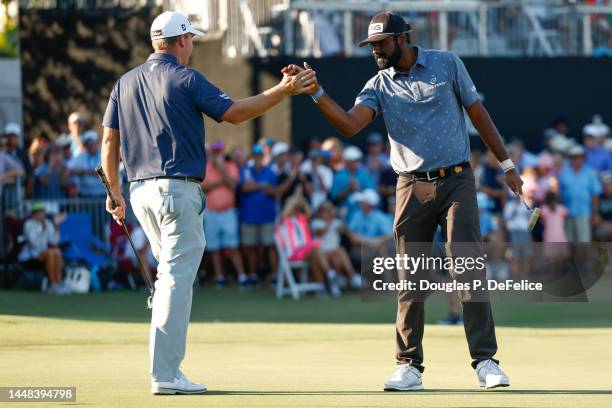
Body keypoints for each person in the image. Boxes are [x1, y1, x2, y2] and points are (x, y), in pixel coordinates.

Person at [283, 11, 522, 390]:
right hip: (410, 186)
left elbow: (478, 113)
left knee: (467, 267)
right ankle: (409, 366)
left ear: (403, 38)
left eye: (382, 43)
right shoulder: (378, 84)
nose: (376, 50)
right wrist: (315, 91)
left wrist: (507, 164)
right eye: (372, 45)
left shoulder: (446, 63)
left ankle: (486, 362)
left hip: (457, 178)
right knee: (411, 275)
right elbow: (348, 125)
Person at [100, 10, 315, 395]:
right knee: (175, 281)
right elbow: (233, 114)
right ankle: (165, 374)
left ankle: (166, 369)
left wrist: (112, 191)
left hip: (139, 193)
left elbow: (108, 142)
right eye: (191, 39)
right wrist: (283, 91)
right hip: (176, 190)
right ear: (180, 40)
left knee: (169, 277)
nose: (192, 46)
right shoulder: (185, 77)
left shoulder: (125, 81)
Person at [200, 141, 247, 288]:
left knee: (232, 246)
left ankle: (241, 276)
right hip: (211, 212)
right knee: (214, 248)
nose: (216, 155)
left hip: (228, 212)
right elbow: (202, 188)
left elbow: (233, 185)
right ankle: (220, 277)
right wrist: (221, 181)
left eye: (219, 152)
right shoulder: (205, 168)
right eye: (214, 152)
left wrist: (221, 170)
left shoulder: (230, 166)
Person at [276, 196, 341, 297]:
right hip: (294, 253)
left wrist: (301, 201)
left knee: (317, 255)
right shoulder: (283, 220)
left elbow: (309, 212)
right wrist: (295, 199)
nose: (296, 210)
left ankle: (322, 287)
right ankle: (330, 274)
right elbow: (287, 210)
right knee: (316, 250)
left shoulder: (301, 220)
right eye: (295, 208)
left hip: (307, 250)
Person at [238, 145, 279, 284]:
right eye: (255, 155)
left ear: (263, 156)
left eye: (260, 155)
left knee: (270, 246)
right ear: (253, 156)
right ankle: (253, 275)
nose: (258, 157)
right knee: (250, 247)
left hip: (267, 215)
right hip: (249, 215)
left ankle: (275, 275)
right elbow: (244, 187)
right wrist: (262, 186)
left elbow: (273, 191)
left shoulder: (270, 171)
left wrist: (254, 186)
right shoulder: (246, 170)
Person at [17, 203, 68, 295]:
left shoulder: (48, 223)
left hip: (44, 253)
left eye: (43, 212)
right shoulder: (28, 224)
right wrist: (43, 229)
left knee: (56, 251)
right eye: (40, 212)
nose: (43, 215)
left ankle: (58, 282)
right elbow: (35, 244)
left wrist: (56, 226)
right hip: (30, 256)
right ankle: (52, 284)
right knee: (51, 253)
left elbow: (54, 241)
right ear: (34, 214)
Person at [558, 145, 602, 243]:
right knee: (569, 242)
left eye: (579, 157)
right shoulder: (564, 173)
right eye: (574, 157)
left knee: (584, 241)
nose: (577, 159)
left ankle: (584, 259)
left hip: (585, 213)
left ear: (583, 158)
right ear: (570, 158)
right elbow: (560, 194)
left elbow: (595, 194)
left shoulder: (590, 173)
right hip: (567, 213)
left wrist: (595, 213)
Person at [67, 130, 106, 197]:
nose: (90, 145)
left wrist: (83, 171)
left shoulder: (104, 155)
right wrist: (86, 172)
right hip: (85, 195)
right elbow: (69, 169)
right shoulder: (80, 156)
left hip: (103, 195)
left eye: (92, 142)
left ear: (97, 142)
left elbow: (104, 172)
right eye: (88, 143)